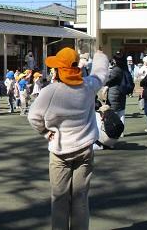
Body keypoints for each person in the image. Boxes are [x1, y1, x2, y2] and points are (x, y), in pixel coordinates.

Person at [28, 48, 109, 230]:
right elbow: (101, 73)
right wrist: (100, 55)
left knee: (59, 198)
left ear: (58, 70)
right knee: (80, 197)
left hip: (60, 151)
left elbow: (33, 117)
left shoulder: (50, 91)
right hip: (85, 148)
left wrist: (45, 132)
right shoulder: (88, 86)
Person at [104, 52, 129, 130]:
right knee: (121, 111)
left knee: (113, 112)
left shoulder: (116, 69)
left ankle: (115, 129)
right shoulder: (125, 68)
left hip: (114, 91)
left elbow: (109, 80)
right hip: (122, 91)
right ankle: (121, 131)